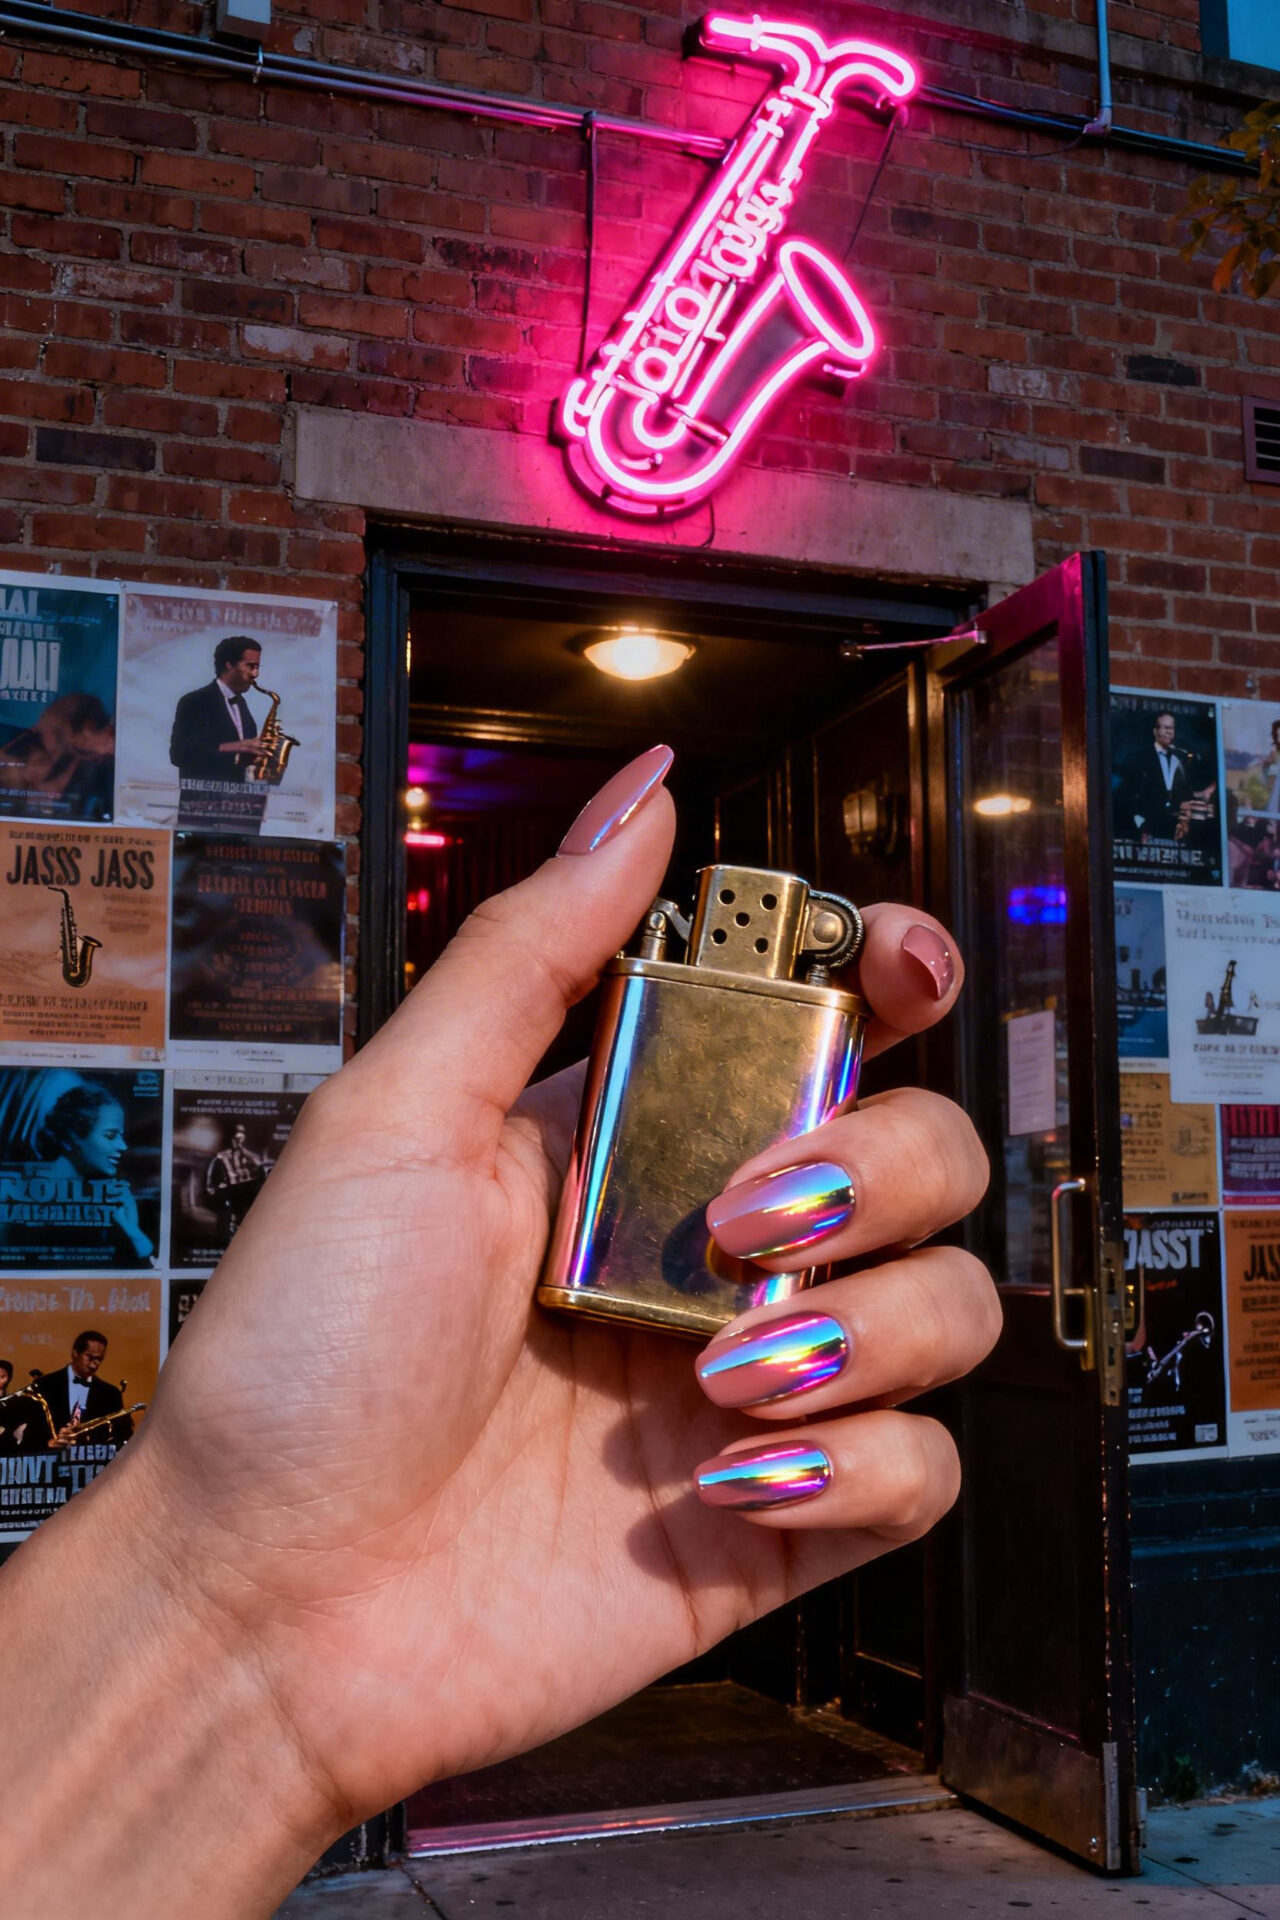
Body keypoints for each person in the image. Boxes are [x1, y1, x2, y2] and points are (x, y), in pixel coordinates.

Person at [0, 748, 998, 1914]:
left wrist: (247, 1666)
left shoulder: (754, 1000)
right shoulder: (639, 989)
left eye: (759, 926)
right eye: (722, 923)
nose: (741, 927)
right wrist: (233, 1603)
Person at [35, 1080, 155, 1267]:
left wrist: (132, 1230)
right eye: (110, 1135)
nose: (122, 1146)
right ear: (72, 1136)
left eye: (121, 1135)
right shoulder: (26, 1196)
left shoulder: (109, 1197)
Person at [168, 634, 270, 831]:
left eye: (257, 667)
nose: (255, 674)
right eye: (250, 666)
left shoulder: (242, 704)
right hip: (203, 816)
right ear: (229, 664)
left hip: (241, 815)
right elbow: (179, 754)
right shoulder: (194, 702)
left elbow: (240, 761)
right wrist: (237, 747)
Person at [31, 1329, 133, 1450]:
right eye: (89, 1357)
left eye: (99, 1359)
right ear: (75, 1353)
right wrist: (50, 1443)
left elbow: (123, 1436)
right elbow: (30, 1434)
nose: (93, 1365)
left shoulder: (111, 1394)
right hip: (51, 1463)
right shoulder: (44, 1385)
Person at [1121, 709, 1191, 842]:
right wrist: (1141, 826)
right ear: (1155, 731)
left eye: (1171, 728)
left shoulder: (1182, 757)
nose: (1168, 731)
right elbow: (1130, 795)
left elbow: (1185, 793)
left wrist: (1183, 822)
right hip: (1147, 828)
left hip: (1173, 829)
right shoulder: (1139, 757)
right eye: (1164, 727)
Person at [204, 1121, 267, 1241]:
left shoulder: (246, 1155)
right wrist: (211, 1189)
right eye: (236, 1134)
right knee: (231, 1210)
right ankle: (229, 1232)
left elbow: (258, 1163)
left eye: (241, 1134)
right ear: (231, 1137)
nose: (239, 1137)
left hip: (246, 1189)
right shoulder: (220, 1156)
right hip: (231, 1190)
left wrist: (242, 1150)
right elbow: (210, 1174)